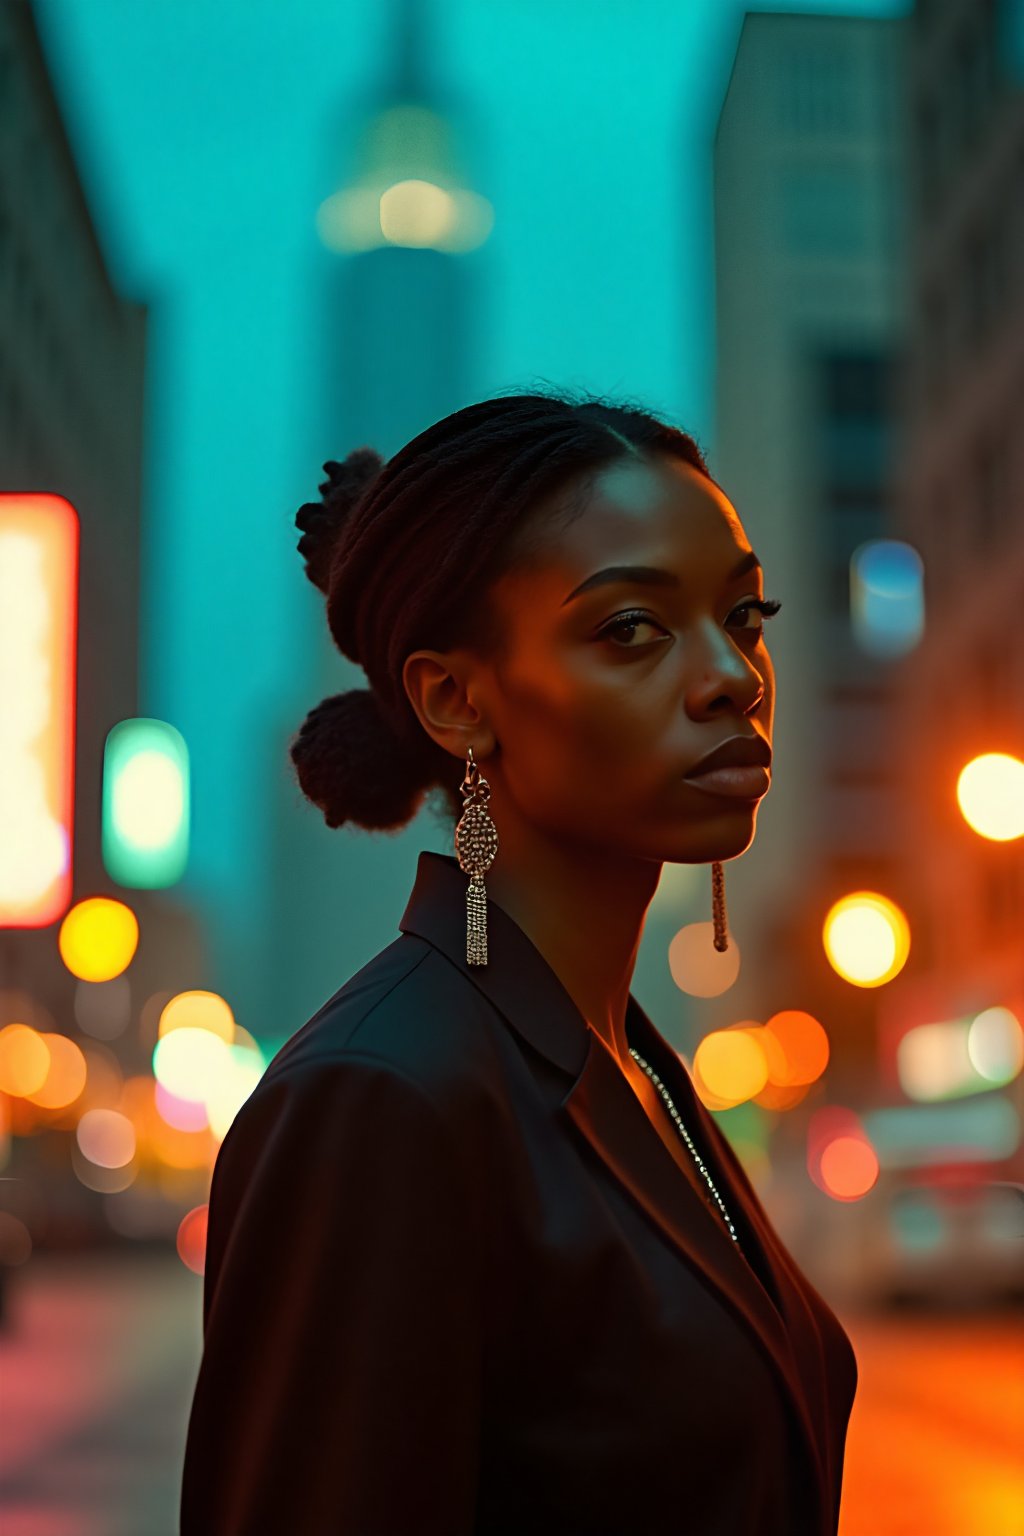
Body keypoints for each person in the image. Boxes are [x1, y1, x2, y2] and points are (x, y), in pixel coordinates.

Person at [179, 388, 858, 1535]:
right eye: (630, 629)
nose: (734, 679)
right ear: (454, 700)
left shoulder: (640, 1072)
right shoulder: (382, 1096)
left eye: (745, 618)